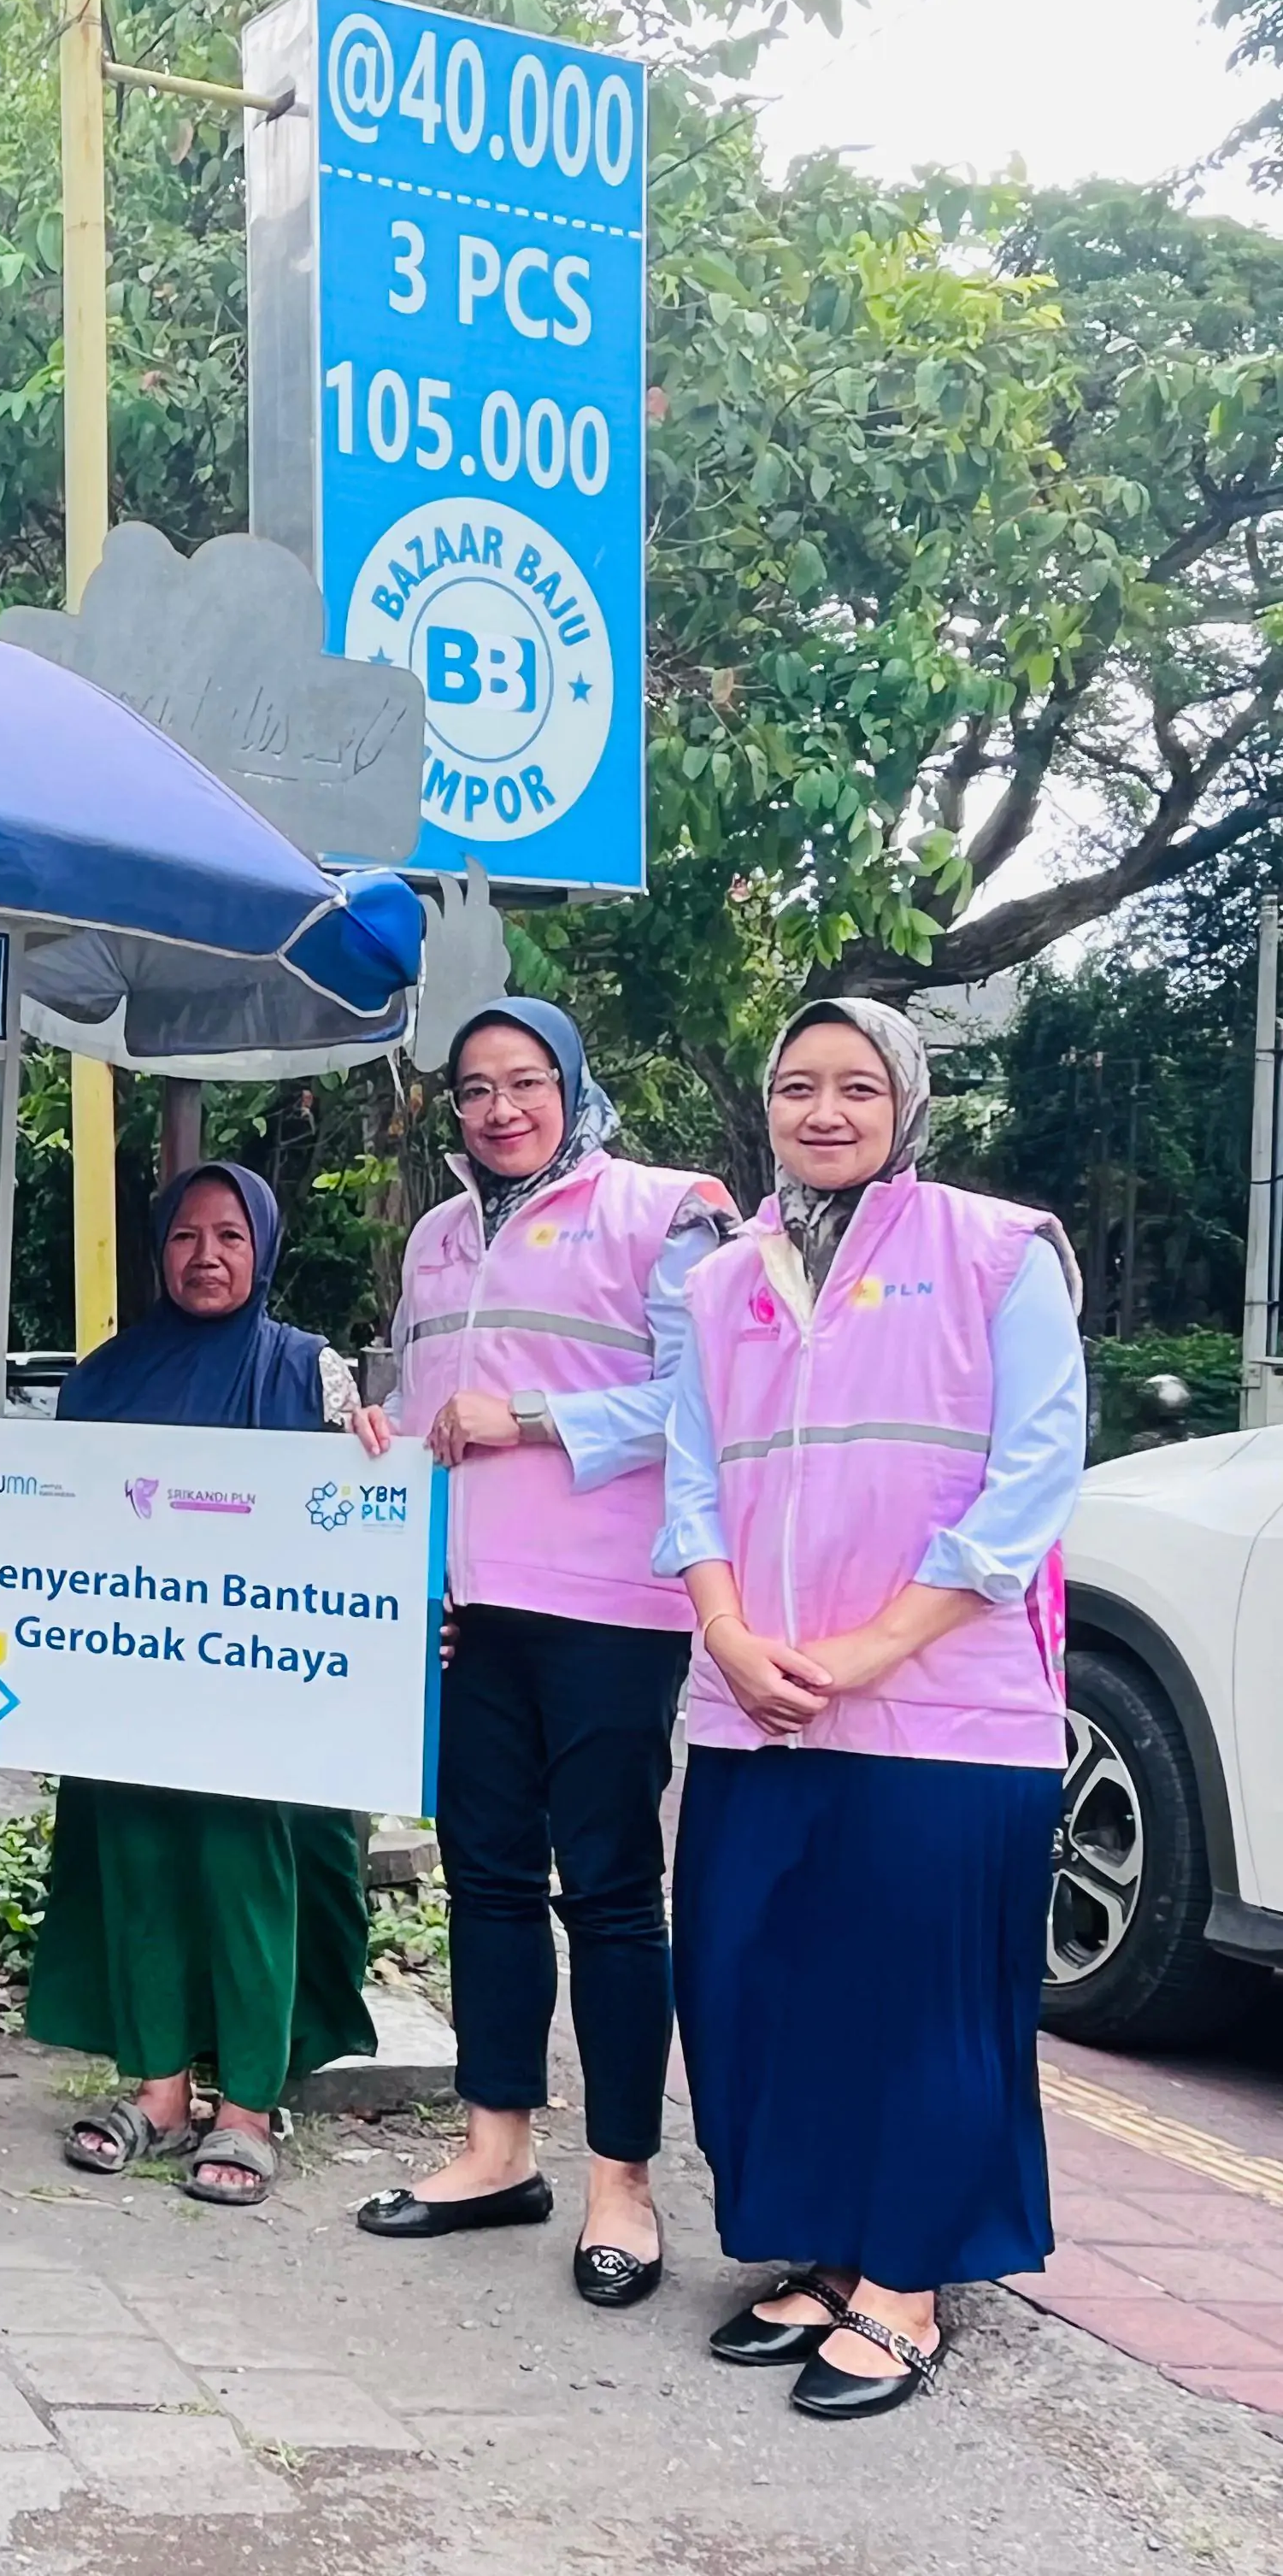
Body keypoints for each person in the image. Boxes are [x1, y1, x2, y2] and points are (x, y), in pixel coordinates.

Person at [664, 998, 1082, 2421]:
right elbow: (692, 1479)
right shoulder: (728, 1276)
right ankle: (825, 2251)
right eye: (798, 1085)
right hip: (757, 1703)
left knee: (920, 2000)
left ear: (906, 1104)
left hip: (945, 1714)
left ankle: (903, 2279)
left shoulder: (997, 1250)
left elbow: (1031, 1479)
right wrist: (728, 1632)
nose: (824, 1110)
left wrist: (871, 1648)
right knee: (759, 1983)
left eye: (857, 1085)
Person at [351, 1002, 733, 2308]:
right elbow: (423, 1409)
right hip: (471, 1610)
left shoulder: (667, 1212)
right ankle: (495, 2149)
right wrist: (380, 1438)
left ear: (573, 1087)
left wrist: (525, 1415)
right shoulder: (438, 1235)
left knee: (614, 1894)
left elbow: (706, 1399)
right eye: (474, 1089)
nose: (500, 1109)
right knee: (488, 1883)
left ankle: (622, 2184)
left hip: (612, 1609)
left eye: (525, 1083)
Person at [29, 1162, 391, 2208]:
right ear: (159, 1251)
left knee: (245, 1873)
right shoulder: (103, 1380)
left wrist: (376, 1459)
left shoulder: (308, 1373)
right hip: (128, 1682)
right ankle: (158, 2093)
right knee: (139, 1863)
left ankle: (247, 2107)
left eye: (231, 1236)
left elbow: (360, 1517)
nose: (206, 1257)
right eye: (186, 1237)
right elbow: (52, 1518)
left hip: (259, 1689)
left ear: (263, 1248)